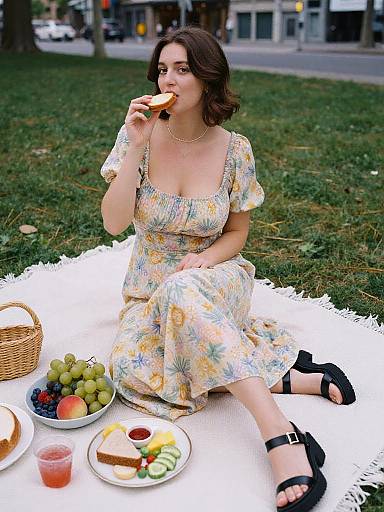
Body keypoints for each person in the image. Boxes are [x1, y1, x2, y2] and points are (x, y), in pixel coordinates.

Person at [100, 26, 355, 512]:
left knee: (183, 294)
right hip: (149, 287)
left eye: (182, 69)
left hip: (216, 275)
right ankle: (288, 376)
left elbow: (237, 233)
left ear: (208, 78)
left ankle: (280, 434)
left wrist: (201, 260)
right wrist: (136, 145)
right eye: (162, 69)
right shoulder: (139, 135)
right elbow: (114, 224)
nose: (168, 80)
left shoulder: (235, 149)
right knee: (130, 371)